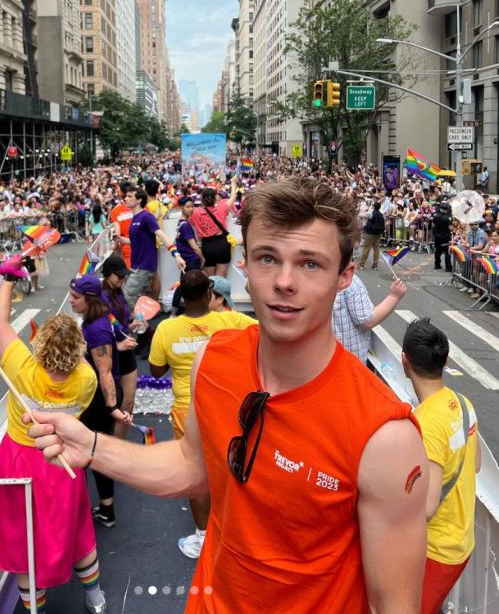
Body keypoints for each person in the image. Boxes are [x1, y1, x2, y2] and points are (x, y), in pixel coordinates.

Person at [28, 177, 428, 613]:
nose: (285, 282)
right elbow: (190, 466)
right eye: (267, 258)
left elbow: (395, 604)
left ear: (345, 276)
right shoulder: (213, 360)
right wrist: (89, 445)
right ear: (245, 266)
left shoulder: (385, 436)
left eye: (310, 263)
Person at [0, 257, 107, 614]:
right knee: (77, 533)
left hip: (19, 460)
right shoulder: (86, 379)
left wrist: (9, 279)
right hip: (62, 460)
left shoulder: (21, 366)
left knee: (23, 544)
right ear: (77, 352)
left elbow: (0, 321)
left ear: (41, 345)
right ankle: (96, 599)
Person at [149, 270, 257, 559]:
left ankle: (202, 538)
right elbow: (262, 328)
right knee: (229, 467)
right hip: (226, 406)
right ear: (210, 295)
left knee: (195, 473)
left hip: (187, 410)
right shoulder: (228, 321)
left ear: (182, 297)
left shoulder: (166, 330)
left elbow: (156, 371)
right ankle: (233, 533)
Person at [401, 318, 481, 614]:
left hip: (435, 551)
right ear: (445, 361)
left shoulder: (424, 423)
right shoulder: (462, 403)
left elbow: (427, 507)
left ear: (404, 360)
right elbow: (475, 465)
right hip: (462, 542)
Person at [69, 274, 132, 528]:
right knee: (96, 451)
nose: (71, 301)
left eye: (76, 297)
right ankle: (105, 510)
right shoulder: (96, 321)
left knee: (90, 452)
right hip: (96, 396)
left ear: (90, 299)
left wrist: (112, 408)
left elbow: (104, 372)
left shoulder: (96, 329)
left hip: (98, 399)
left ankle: (99, 511)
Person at [123, 185, 185, 310]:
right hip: (136, 265)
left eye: (129, 196)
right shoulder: (135, 218)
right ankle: (140, 324)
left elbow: (162, 236)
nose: (125, 199)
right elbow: (134, 241)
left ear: (139, 200)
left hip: (144, 266)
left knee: (128, 297)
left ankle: (136, 323)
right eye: (126, 196)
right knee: (135, 299)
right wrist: (120, 239)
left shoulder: (147, 216)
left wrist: (176, 255)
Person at [100, 254, 138, 438]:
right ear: (108, 274)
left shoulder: (117, 292)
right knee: (111, 406)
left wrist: (132, 325)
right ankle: (110, 446)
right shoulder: (100, 297)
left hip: (126, 349)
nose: (123, 280)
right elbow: (100, 332)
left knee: (129, 403)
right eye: (119, 276)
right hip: (110, 353)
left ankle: (118, 444)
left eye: (124, 276)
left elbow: (119, 323)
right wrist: (117, 345)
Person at [332, 274, 407, 363]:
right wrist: (394, 297)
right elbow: (366, 320)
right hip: (348, 360)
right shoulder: (351, 281)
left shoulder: (317, 276)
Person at [189, 178, 238, 277]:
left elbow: (189, 220)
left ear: (202, 200)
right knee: (221, 279)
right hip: (222, 244)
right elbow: (233, 196)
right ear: (215, 199)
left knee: (210, 280)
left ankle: (211, 293)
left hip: (207, 246)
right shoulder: (222, 207)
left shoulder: (195, 212)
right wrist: (233, 182)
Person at [358, 200, 385, 270]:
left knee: (366, 249)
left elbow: (360, 215)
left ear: (373, 207)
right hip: (378, 233)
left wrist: (365, 210)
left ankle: (361, 264)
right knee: (376, 249)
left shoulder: (370, 213)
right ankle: (375, 265)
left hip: (370, 233)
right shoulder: (381, 214)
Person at [432, 197, 453, 273]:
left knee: (438, 250)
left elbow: (433, 225)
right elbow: (450, 228)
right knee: (447, 252)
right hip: (446, 236)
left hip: (437, 235)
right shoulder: (449, 218)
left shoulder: (435, 215)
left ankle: (437, 264)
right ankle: (448, 267)